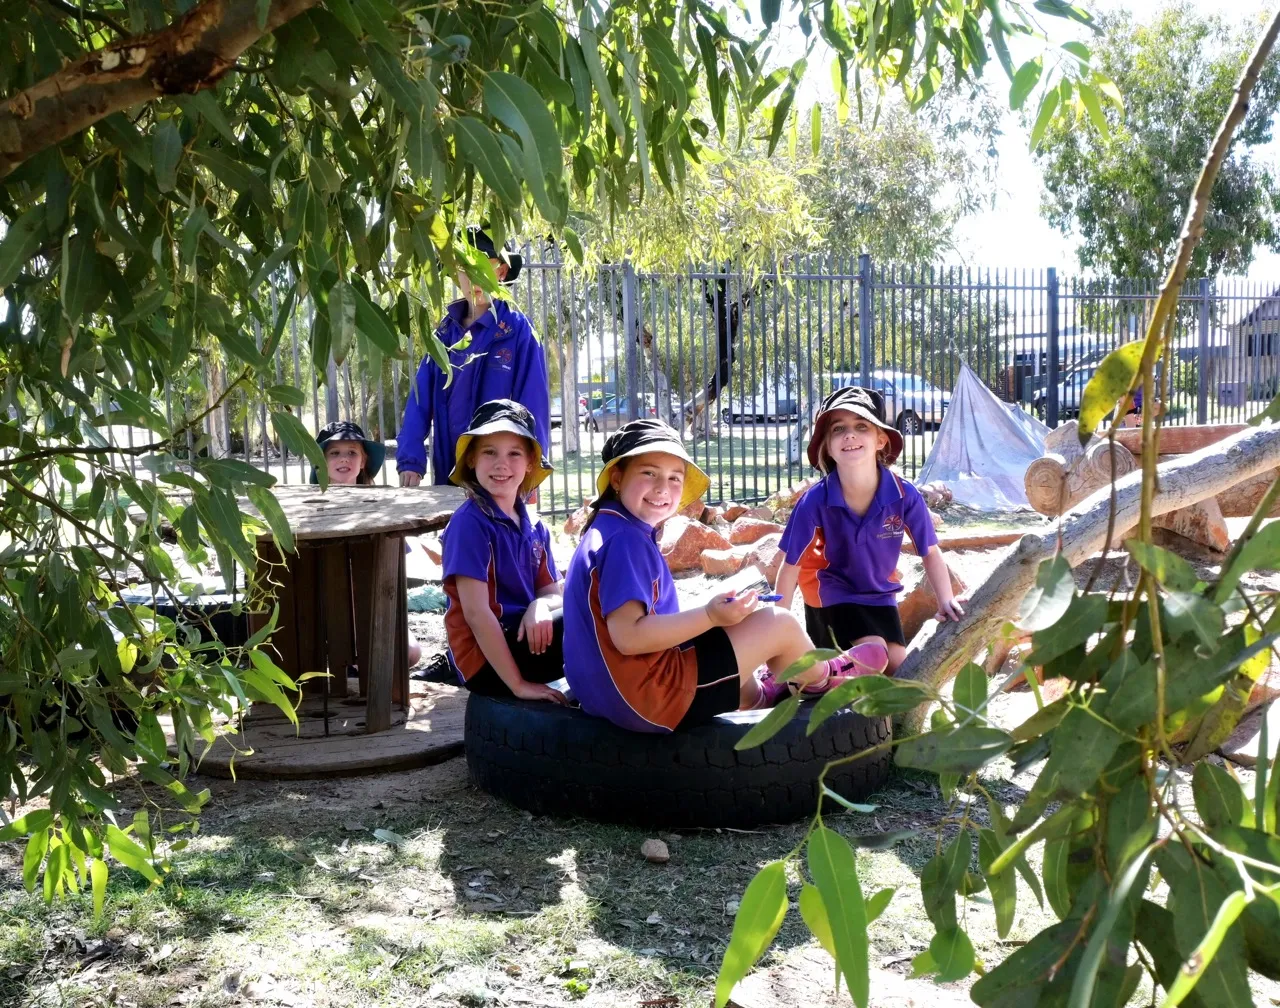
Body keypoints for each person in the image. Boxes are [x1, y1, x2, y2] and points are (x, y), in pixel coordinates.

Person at [562, 419, 889, 734]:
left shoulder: (607, 528)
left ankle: (760, 695)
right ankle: (820, 678)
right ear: (617, 478)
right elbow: (629, 637)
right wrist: (708, 615)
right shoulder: (626, 542)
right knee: (779, 623)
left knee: (722, 628)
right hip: (650, 700)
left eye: (675, 478)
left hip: (608, 696)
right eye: (649, 473)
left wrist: (715, 618)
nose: (663, 488)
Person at [775, 386, 963, 674]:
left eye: (861, 426)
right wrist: (778, 633)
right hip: (831, 596)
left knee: (900, 668)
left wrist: (946, 600)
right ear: (826, 444)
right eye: (838, 429)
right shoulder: (815, 500)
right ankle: (817, 679)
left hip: (880, 597)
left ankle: (844, 686)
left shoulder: (904, 495)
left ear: (880, 439)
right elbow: (789, 568)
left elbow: (931, 552)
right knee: (872, 653)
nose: (849, 434)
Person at [396, 228, 551, 487]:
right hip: (451, 468)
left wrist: (532, 468)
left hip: (502, 473)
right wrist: (410, 459)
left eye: (483, 269)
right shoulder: (443, 335)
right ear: (455, 275)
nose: (474, 279)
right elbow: (419, 400)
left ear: (501, 272)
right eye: (466, 269)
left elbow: (534, 404)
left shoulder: (519, 332)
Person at [440, 400, 566, 704]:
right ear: (471, 459)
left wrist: (539, 606)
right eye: (489, 452)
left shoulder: (534, 526)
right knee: (590, 619)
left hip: (527, 636)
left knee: (589, 607)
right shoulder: (470, 524)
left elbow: (554, 593)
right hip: (486, 661)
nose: (501, 464)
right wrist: (519, 685)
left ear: (530, 463)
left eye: (514, 453)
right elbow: (476, 613)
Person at [311, 420, 421, 667]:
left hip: (372, 603)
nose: (344, 459)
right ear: (320, 461)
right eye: (334, 453)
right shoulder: (309, 507)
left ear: (363, 462)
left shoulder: (380, 508)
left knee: (410, 653)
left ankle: (362, 658)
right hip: (325, 607)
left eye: (352, 453)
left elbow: (397, 560)